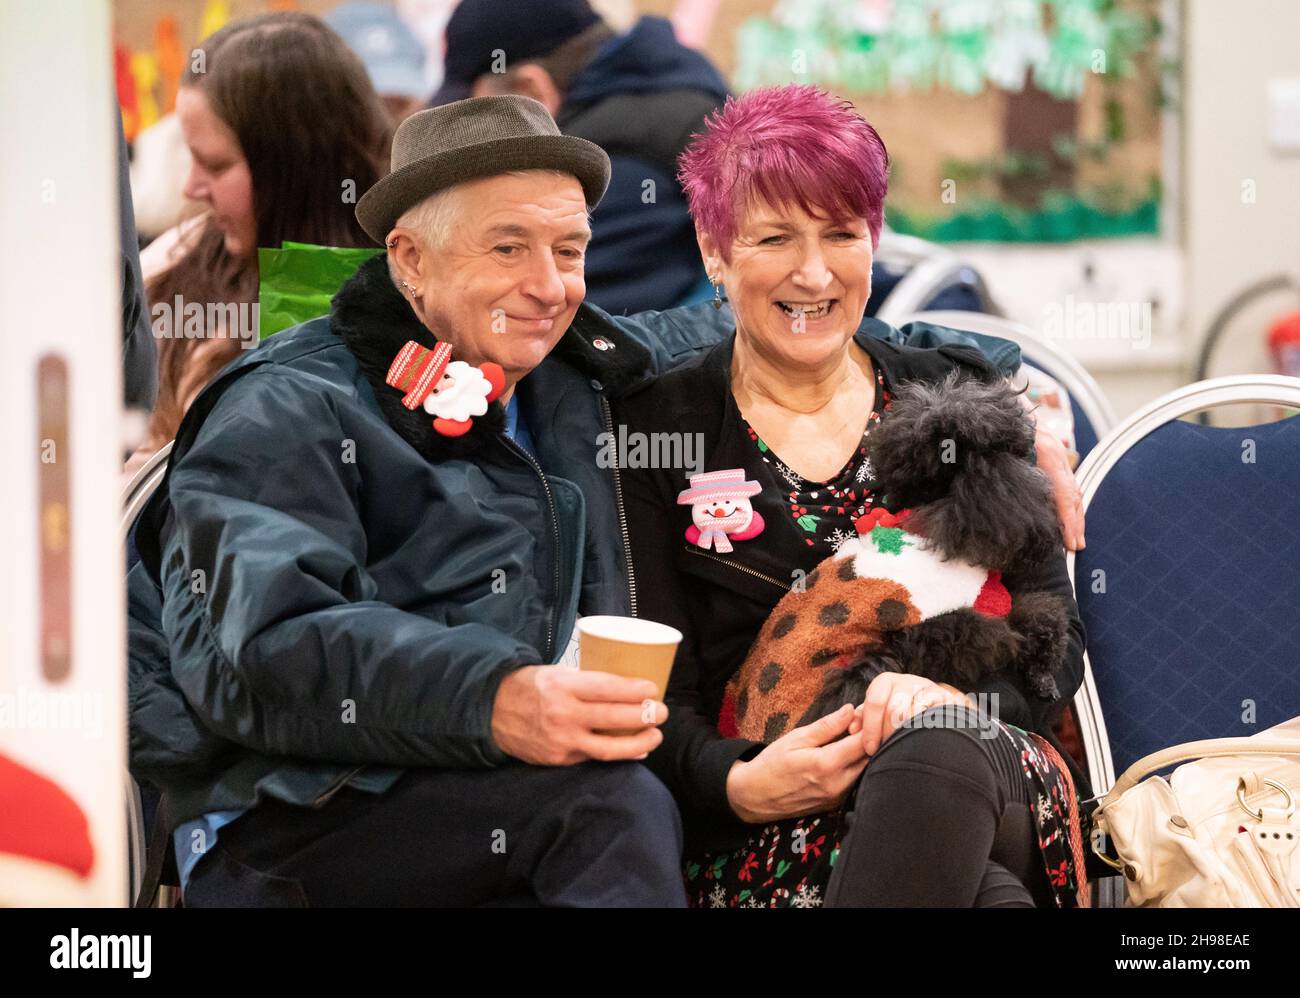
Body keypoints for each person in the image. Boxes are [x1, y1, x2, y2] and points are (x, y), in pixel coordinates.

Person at [615, 85, 1092, 908]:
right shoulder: (661, 431)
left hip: (984, 764)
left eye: (841, 233)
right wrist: (739, 784)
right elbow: (657, 696)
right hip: (769, 814)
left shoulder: (960, 402)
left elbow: (1055, 644)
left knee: (931, 750)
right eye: (774, 238)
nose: (814, 271)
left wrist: (952, 696)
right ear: (713, 251)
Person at [127, 12, 391, 478]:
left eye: (214, 164)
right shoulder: (179, 258)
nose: (190, 188)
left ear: (294, 165)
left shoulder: (405, 289)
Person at [432, 0, 729, 314]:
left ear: (532, 92)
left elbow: (539, 326)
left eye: (476, 114)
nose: (471, 139)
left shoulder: (617, 178)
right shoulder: (673, 106)